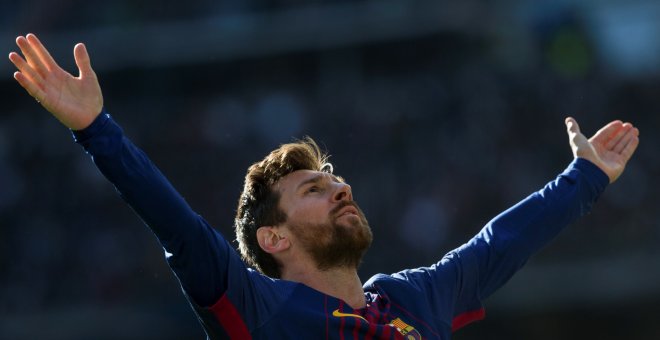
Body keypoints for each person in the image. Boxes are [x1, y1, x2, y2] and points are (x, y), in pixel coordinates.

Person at [9, 33, 640, 339]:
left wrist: (584, 177)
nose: (339, 188)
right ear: (274, 236)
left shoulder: (410, 301)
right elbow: (176, 225)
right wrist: (96, 129)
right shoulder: (261, 312)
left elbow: (498, 244)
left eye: (334, 178)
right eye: (314, 187)